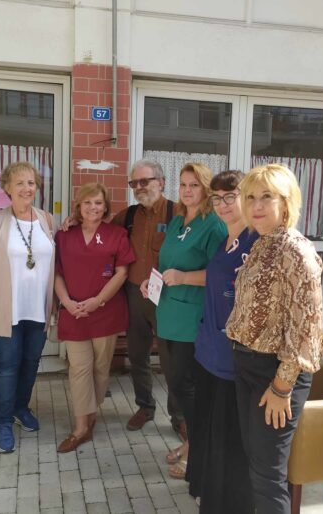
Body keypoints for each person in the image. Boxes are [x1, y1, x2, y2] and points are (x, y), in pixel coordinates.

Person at [225, 164, 323, 514]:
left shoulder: (295, 250)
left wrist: (282, 388)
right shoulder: (262, 243)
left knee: (268, 475)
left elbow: (306, 328)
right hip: (248, 364)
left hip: (277, 374)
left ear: (286, 201)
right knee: (256, 463)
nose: (256, 205)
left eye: (267, 197)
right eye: (250, 197)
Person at [63, 159, 186, 438]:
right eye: (135, 183)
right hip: (133, 294)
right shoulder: (127, 216)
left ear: (161, 182)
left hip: (168, 296)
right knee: (138, 355)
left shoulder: (179, 213)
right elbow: (97, 224)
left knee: (171, 359)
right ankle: (145, 406)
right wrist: (74, 220)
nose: (140, 187)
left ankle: (179, 416)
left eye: (146, 181)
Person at [143, 162, 227, 480]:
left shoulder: (213, 225)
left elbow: (220, 275)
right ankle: (193, 443)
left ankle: (199, 452)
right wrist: (152, 281)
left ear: (206, 189)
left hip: (192, 319)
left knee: (186, 386)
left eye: (194, 185)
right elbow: (168, 262)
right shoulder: (178, 220)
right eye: (183, 184)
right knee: (177, 385)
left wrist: (183, 277)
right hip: (168, 313)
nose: (187, 190)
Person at [185, 170, 256, 513]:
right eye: (217, 198)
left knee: (227, 436)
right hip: (208, 351)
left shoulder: (254, 243)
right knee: (206, 427)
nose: (223, 204)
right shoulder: (224, 240)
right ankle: (205, 490)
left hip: (232, 358)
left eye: (231, 196)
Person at [0, 161, 56, 454]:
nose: (26, 188)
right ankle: (3, 420)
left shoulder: (47, 220)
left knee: (31, 362)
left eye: (31, 183)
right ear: (7, 188)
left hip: (38, 308)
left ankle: (21, 408)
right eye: (19, 183)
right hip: (7, 308)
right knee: (7, 366)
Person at [54, 183, 134, 453]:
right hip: (73, 312)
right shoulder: (64, 235)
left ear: (106, 206)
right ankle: (80, 428)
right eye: (87, 202)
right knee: (79, 369)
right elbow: (56, 273)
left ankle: (91, 413)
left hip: (105, 313)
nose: (93, 208)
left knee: (100, 369)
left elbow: (122, 273)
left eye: (98, 203)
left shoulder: (117, 234)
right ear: (79, 206)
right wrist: (67, 302)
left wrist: (97, 301)